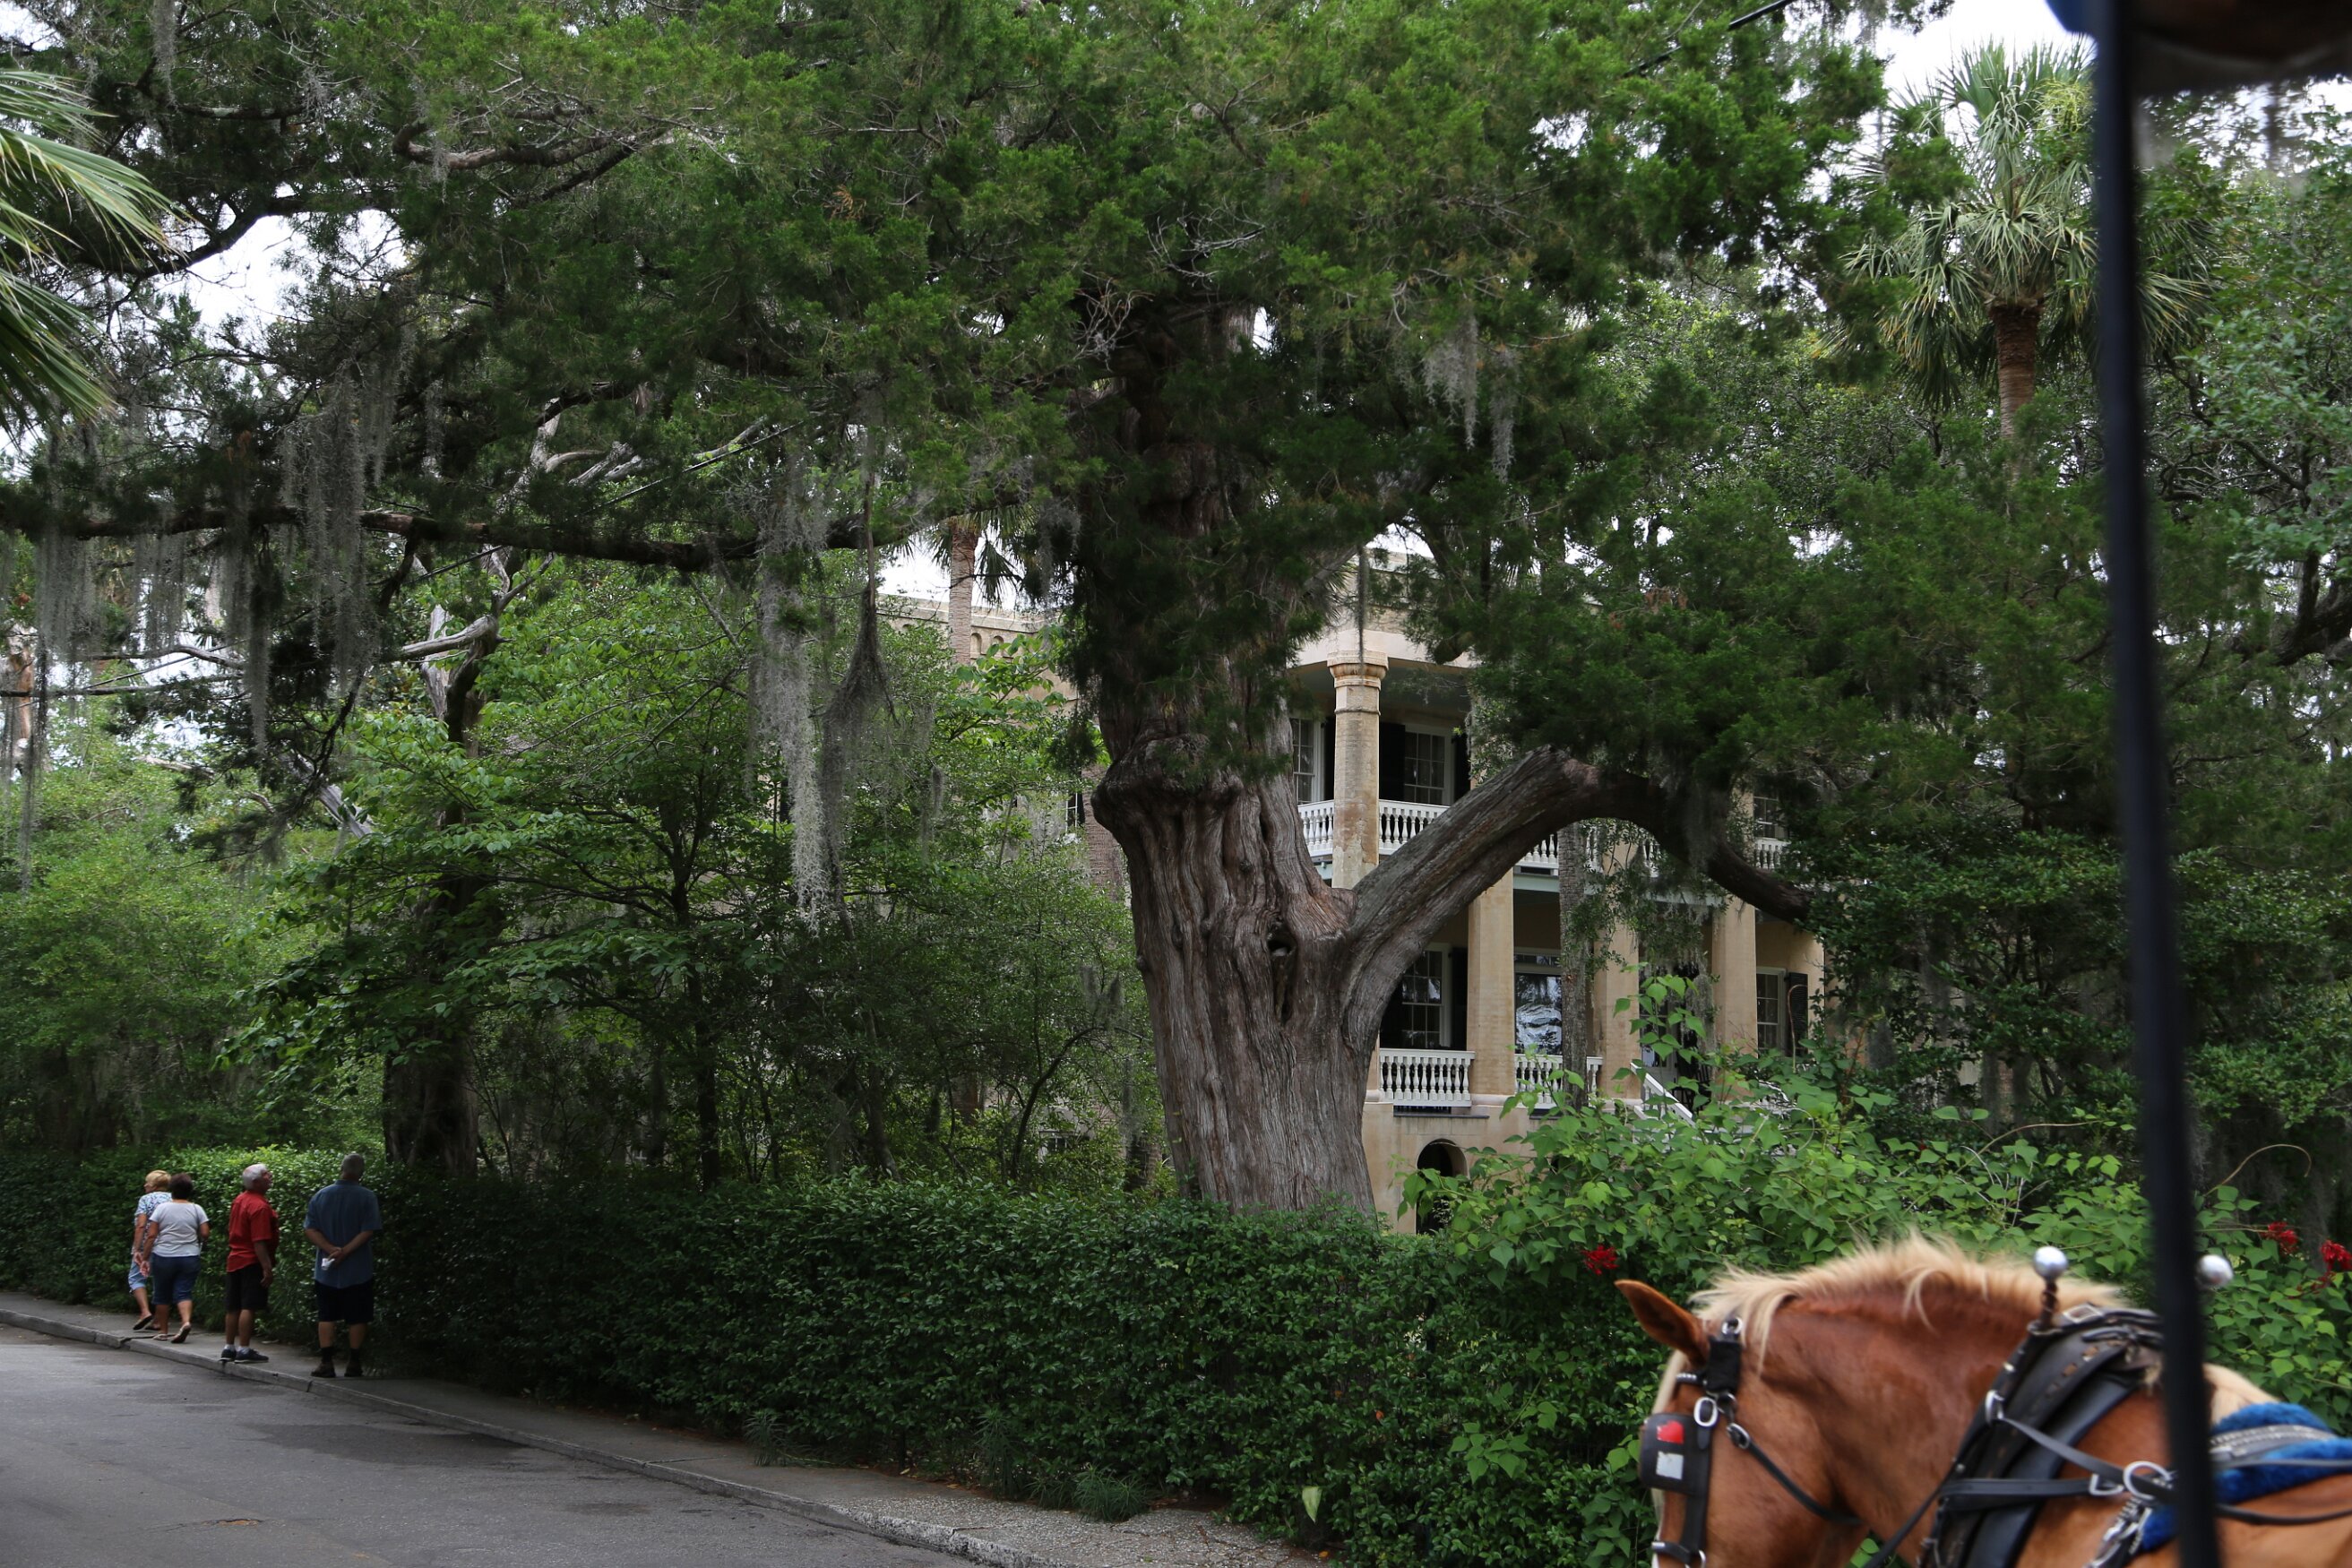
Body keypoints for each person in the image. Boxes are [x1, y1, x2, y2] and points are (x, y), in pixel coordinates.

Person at [304, 1152, 380, 1380]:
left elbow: (310, 1229)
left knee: (326, 1315)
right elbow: (368, 1230)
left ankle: (326, 1362)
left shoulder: (321, 1195)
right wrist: (345, 1251)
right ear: (361, 1173)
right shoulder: (367, 1197)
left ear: (342, 1169)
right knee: (358, 1316)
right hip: (359, 1269)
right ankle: (354, 1363)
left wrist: (330, 1249)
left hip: (326, 1269)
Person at [137, 1173, 209, 1344]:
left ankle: (163, 1331)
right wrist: (197, 1239)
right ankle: (186, 1322)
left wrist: (145, 1257)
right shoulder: (197, 1209)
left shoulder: (162, 1209)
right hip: (189, 1256)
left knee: (162, 1294)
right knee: (184, 1292)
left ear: (172, 1190)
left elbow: (151, 1235)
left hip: (164, 1256)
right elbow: (205, 1233)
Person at [220, 1163, 279, 1364]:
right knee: (249, 1305)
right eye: (266, 1174)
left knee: (233, 1305)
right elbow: (259, 1240)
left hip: (235, 1258)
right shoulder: (259, 1206)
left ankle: (229, 1347)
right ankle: (244, 1349)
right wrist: (267, 1267)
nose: (270, 1176)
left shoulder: (239, 1200)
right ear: (256, 1182)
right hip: (251, 1260)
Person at [128, 1170, 171, 1334]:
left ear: (155, 1186)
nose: (145, 1185)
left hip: (147, 1245)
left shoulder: (146, 1199)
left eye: (148, 1182)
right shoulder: (174, 1199)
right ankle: (159, 1320)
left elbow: (141, 1225)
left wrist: (137, 1249)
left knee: (136, 1278)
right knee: (161, 1282)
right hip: (167, 1246)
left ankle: (145, 1311)